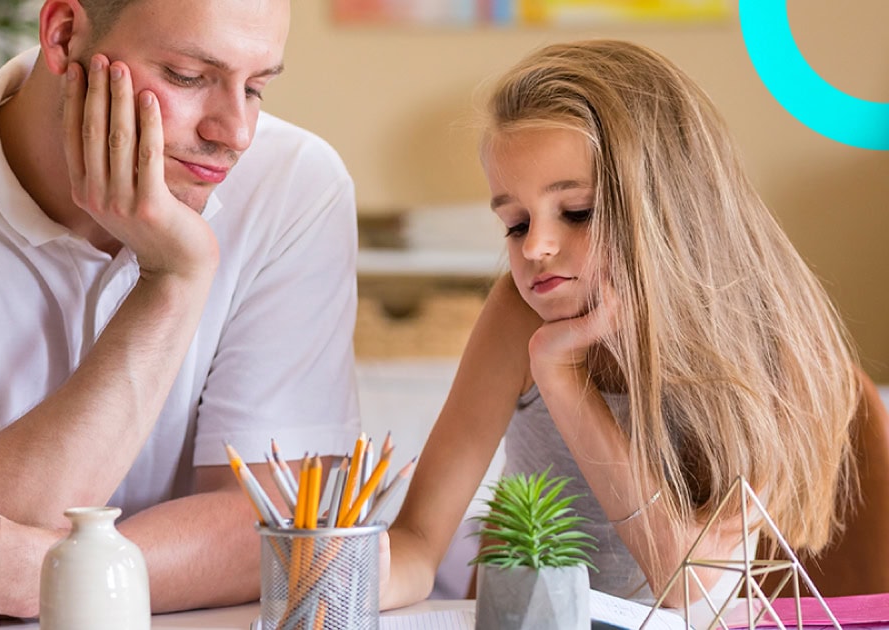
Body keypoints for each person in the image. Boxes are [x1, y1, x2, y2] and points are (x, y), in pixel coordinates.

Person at [0, 0, 359, 616]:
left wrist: (45, 572)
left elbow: (278, 527)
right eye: (188, 76)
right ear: (64, 34)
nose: (234, 132)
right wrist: (175, 279)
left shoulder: (293, 185)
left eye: (258, 87)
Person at [380, 39, 887, 616]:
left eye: (577, 212)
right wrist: (336, 570)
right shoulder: (516, 315)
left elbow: (688, 585)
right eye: (516, 223)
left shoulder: (766, 333)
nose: (538, 247)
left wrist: (564, 379)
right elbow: (419, 543)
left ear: (668, 207)